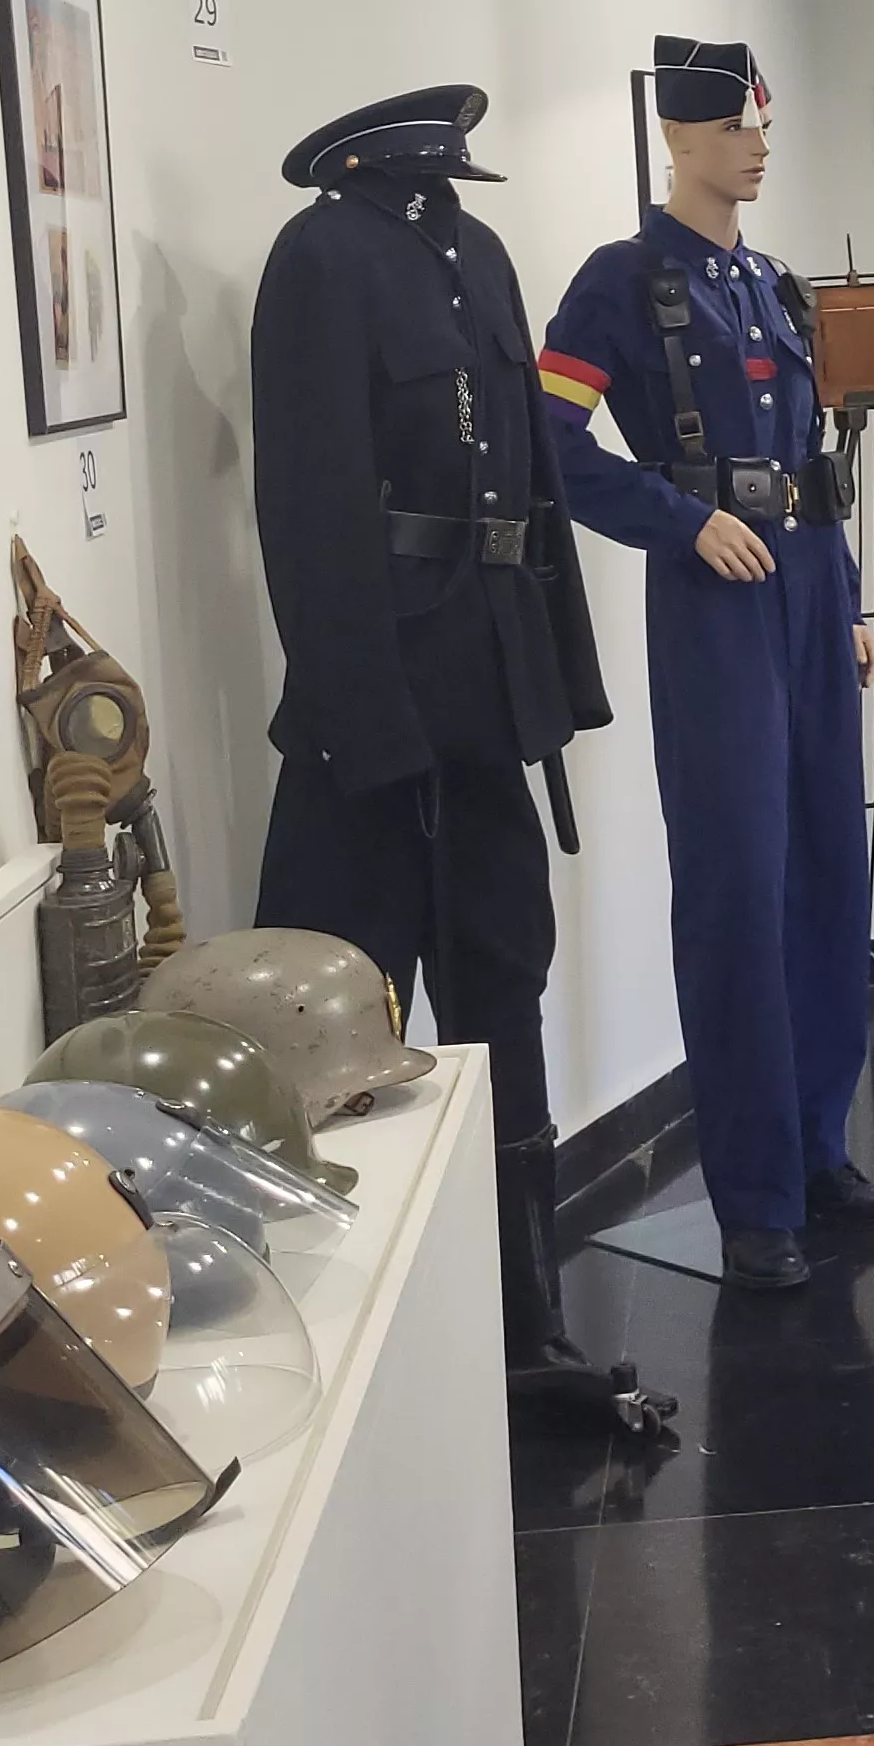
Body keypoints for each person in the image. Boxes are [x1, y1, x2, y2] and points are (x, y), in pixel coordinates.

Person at [248, 84, 661, 1434]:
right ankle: (343, 1324)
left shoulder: (472, 258)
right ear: (383, 174)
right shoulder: (322, 257)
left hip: (484, 698)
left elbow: (531, 480)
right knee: (330, 1022)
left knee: (505, 985)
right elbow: (309, 502)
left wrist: (556, 676)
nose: (446, 195)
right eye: (429, 178)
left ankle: (519, 1317)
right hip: (375, 712)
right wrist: (365, 721)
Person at [539, 38, 874, 1293]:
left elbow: (817, 459)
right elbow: (553, 445)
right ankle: (752, 1198)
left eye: (759, 124)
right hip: (712, 594)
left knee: (825, 876)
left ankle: (815, 1154)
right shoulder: (622, 283)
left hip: (802, 588)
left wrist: (844, 600)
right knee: (739, 889)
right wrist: (677, 519)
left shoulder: (774, 284)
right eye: (731, 124)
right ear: (676, 138)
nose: (755, 144)